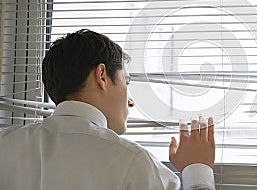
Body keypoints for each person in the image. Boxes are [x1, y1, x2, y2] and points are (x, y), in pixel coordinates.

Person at [0, 29, 215, 190]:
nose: (130, 102)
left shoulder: (4, 144)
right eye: (126, 82)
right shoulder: (134, 163)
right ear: (102, 75)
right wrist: (198, 169)